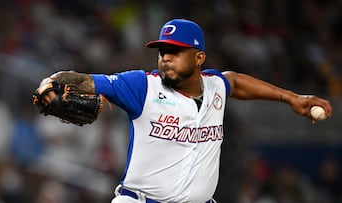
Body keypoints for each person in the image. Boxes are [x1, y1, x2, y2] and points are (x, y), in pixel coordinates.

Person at [37, 19, 332, 203]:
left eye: (175, 52)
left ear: (199, 57)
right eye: (162, 51)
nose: (165, 58)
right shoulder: (142, 86)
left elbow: (236, 82)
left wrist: (291, 97)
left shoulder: (214, 85)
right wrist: (50, 83)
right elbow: (85, 80)